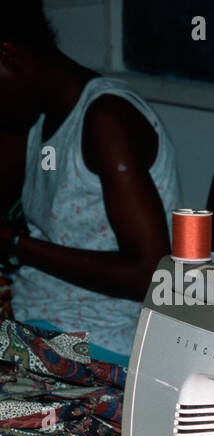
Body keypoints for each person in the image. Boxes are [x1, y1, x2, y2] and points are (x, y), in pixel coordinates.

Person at [0, 0, 180, 362]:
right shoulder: (38, 118)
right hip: (40, 328)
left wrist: (17, 243)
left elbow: (150, 273)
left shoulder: (105, 120)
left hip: (99, 347)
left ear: (10, 56)